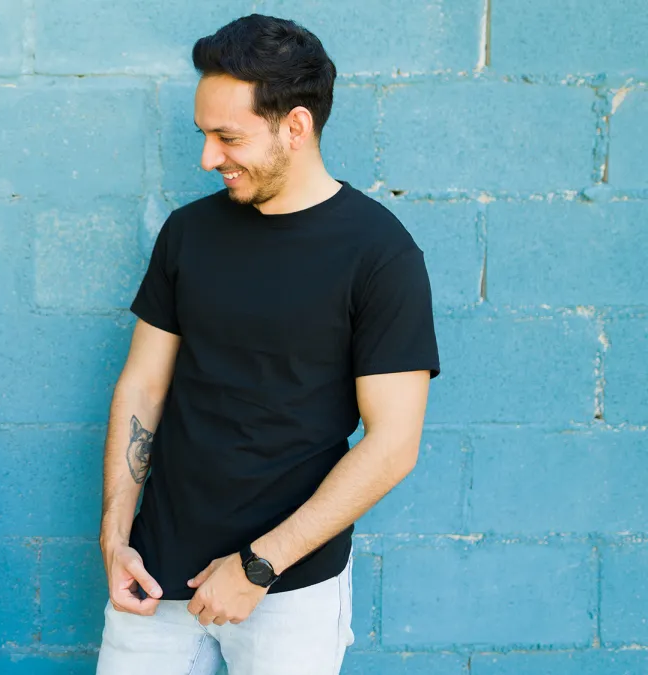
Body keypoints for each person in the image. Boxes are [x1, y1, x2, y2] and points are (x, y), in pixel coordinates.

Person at [97, 15, 440, 675]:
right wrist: (114, 537)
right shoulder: (188, 233)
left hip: (290, 589)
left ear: (296, 126)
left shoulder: (380, 254)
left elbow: (394, 442)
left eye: (227, 137)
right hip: (155, 572)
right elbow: (143, 384)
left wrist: (260, 564)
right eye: (203, 135)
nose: (207, 158)